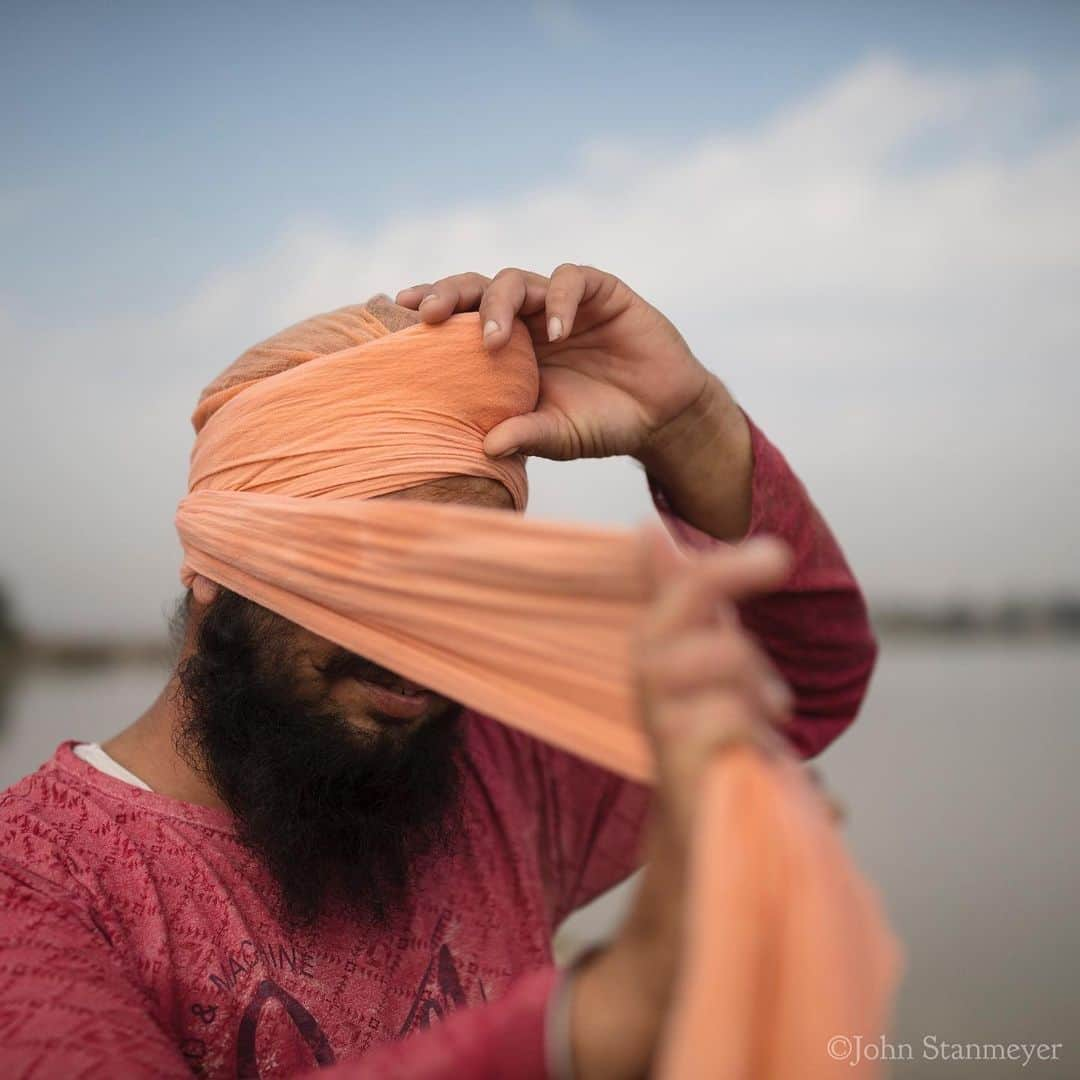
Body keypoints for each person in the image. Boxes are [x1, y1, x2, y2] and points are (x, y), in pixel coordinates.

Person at [0, 265, 876, 1078]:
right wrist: (596, 1018)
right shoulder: (39, 881)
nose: (420, 640)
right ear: (215, 560)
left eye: (466, 577)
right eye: (372, 568)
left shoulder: (495, 771)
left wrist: (687, 423)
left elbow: (794, 687)